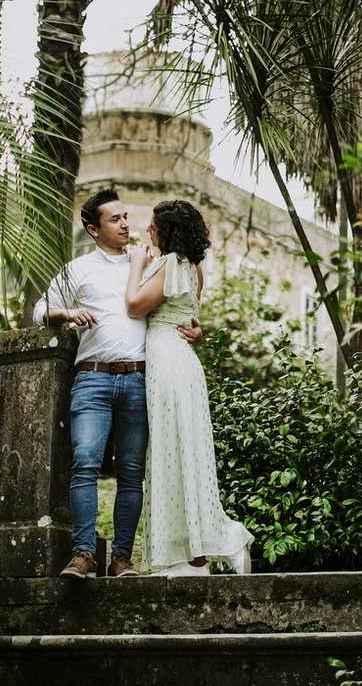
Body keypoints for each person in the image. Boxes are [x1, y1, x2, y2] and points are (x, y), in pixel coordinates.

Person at [34, 189, 200, 580]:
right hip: (92, 377)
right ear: (94, 229)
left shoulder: (152, 262)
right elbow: (40, 310)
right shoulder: (77, 269)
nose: (126, 224)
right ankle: (83, 554)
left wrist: (196, 330)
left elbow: (180, 305)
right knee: (85, 463)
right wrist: (67, 313)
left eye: (126, 216)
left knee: (131, 472)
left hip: (141, 379)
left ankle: (122, 558)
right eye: (115, 219)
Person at [126, 199, 253, 576]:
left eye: (153, 226)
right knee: (184, 455)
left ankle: (209, 547)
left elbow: (134, 306)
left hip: (168, 363)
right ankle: (194, 556)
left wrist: (137, 265)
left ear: (168, 231)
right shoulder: (193, 268)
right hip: (183, 364)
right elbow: (188, 314)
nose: (148, 230)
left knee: (173, 454)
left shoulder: (168, 265)